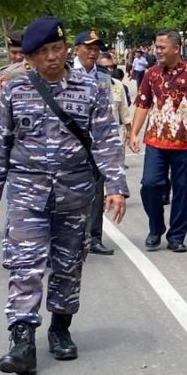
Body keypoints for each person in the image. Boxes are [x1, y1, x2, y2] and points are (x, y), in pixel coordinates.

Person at [0, 17, 129, 375]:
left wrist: (115, 187)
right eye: (43, 52)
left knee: (68, 264)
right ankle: (22, 339)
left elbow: (106, 140)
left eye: (57, 49)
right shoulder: (15, 91)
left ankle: (60, 328)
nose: (52, 57)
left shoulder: (90, 90)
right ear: (28, 58)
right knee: (25, 265)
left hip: (75, 194)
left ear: (66, 50)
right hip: (27, 195)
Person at [128, 29, 187, 253]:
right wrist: (133, 133)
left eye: (162, 47)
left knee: (183, 189)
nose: (158, 51)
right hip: (156, 141)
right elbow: (143, 104)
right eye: (157, 47)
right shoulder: (151, 74)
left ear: (176, 48)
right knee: (150, 184)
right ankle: (156, 227)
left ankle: (176, 236)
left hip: (185, 143)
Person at [73, 30, 116, 256]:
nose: (93, 52)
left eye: (96, 48)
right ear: (76, 49)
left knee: (98, 187)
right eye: (88, 48)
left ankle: (95, 237)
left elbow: (108, 108)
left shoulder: (103, 77)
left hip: (95, 138)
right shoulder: (66, 72)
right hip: (71, 139)